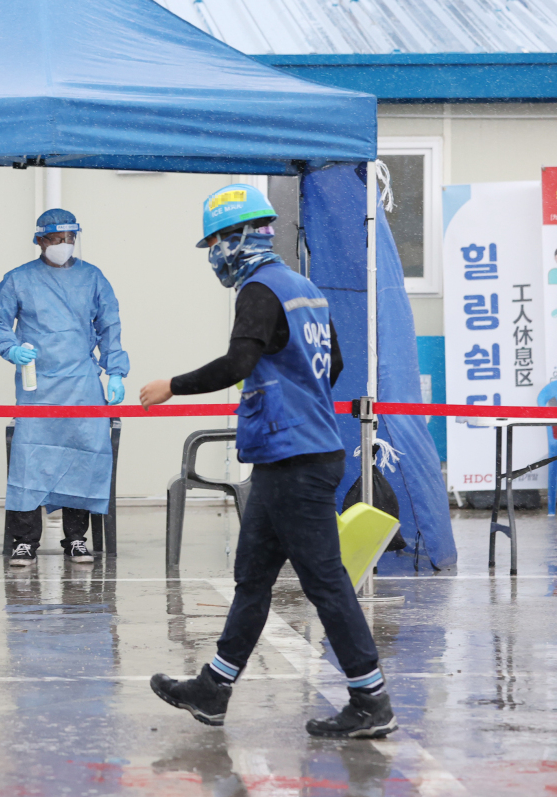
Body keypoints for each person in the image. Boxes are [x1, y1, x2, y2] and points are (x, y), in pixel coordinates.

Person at [141, 184, 397, 739]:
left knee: (325, 582)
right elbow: (335, 362)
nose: (213, 253)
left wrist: (172, 386)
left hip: (295, 461)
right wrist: (293, 396)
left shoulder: (257, 290)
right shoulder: (303, 286)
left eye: (215, 240)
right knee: (252, 579)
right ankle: (214, 688)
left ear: (237, 237)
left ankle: (370, 699)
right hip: (296, 454)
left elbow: (238, 362)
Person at [0, 208, 129, 567]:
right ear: (39, 241)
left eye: (69, 238)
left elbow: (110, 324)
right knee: (30, 459)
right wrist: (10, 347)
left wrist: (115, 372)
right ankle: (25, 541)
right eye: (55, 239)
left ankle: (77, 539)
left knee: (82, 456)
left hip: (82, 383)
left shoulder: (92, 278)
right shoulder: (19, 280)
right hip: (38, 384)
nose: (63, 245)